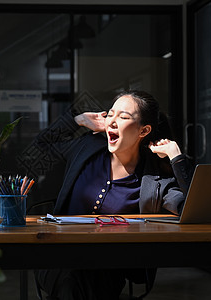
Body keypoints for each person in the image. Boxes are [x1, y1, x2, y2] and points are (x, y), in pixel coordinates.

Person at [33, 90, 193, 300]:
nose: (112, 121)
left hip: (108, 267)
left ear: (143, 130)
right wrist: (77, 121)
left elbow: (190, 208)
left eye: (124, 117)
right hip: (61, 256)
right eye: (110, 114)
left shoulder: (152, 178)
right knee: (71, 279)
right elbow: (42, 145)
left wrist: (176, 157)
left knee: (77, 283)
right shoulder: (87, 147)